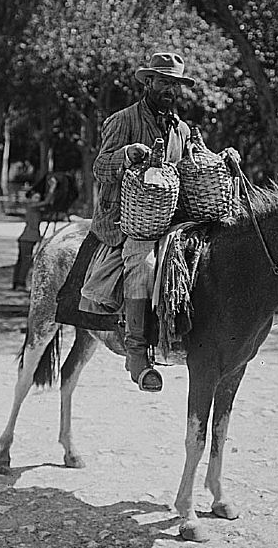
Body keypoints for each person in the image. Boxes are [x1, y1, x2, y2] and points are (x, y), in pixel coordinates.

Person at [78, 51, 198, 394]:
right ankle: (136, 353)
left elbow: (188, 173)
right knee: (143, 263)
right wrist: (125, 155)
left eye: (174, 84)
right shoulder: (123, 121)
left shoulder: (183, 130)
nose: (169, 90)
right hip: (127, 222)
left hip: (172, 220)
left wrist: (217, 159)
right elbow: (99, 170)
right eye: (163, 82)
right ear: (149, 82)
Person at [12, 191, 43, 292]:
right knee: (25, 261)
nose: (37, 200)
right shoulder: (32, 206)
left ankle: (17, 282)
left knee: (22, 261)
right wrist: (52, 189)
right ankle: (20, 283)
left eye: (38, 198)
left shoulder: (35, 209)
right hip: (27, 238)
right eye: (35, 198)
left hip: (28, 238)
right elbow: (47, 202)